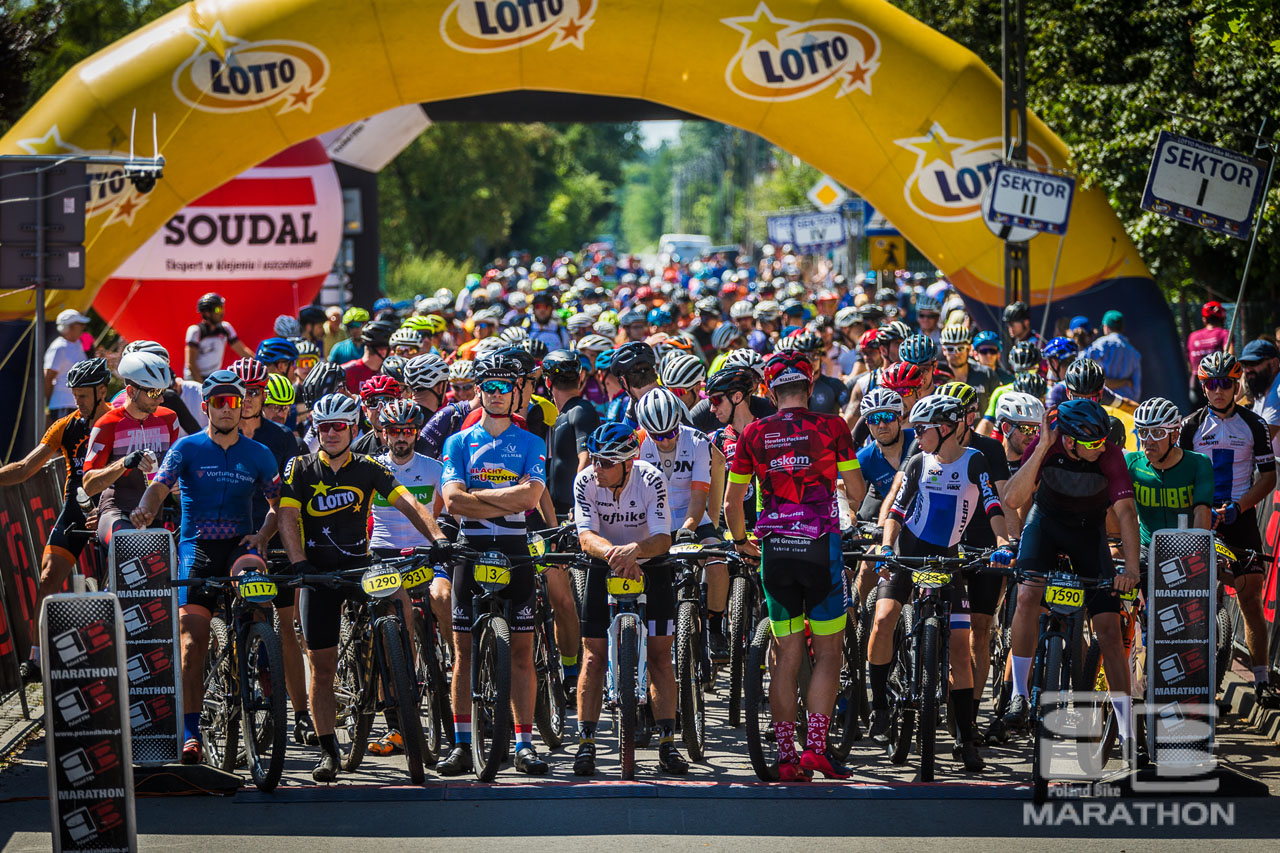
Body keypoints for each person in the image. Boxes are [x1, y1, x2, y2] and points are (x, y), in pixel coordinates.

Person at [277, 393, 447, 782]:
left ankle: (402, 665)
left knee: (398, 597)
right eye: (324, 427)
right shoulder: (299, 468)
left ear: (353, 429)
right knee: (322, 667)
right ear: (316, 430)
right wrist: (299, 561)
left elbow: (408, 503)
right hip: (317, 572)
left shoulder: (368, 466)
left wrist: (437, 538)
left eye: (340, 426)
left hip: (359, 566)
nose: (332, 433)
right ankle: (327, 751)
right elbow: (287, 516)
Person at [725, 350, 867, 781]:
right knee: (827, 653)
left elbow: (733, 502)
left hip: (775, 551)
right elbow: (857, 493)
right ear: (811, 385)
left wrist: (741, 541)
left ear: (768, 389)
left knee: (785, 655)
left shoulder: (753, 432)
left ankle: (786, 756)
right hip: (820, 547)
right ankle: (817, 749)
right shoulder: (833, 427)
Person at [129, 370, 281, 763]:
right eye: (218, 402)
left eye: (233, 401)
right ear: (206, 406)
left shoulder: (259, 454)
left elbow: (279, 506)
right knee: (191, 643)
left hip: (241, 546)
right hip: (197, 549)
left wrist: (263, 534)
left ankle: (266, 665)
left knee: (258, 590)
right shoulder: (186, 448)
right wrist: (146, 508)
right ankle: (191, 733)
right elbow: (160, 485)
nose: (226, 408)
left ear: (241, 405)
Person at [868, 394, 1013, 772]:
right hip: (908, 549)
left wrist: (1001, 542)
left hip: (948, 557)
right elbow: (898, 510)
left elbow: (992, 505)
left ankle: (966, 738)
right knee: (883, 620)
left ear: (945, 429)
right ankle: (881, 707)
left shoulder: (974, 461)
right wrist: (885, 547)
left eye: (922, 428)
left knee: (960, 651)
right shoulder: (918, 461)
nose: (916, 433)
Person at [999, 399, 1140, 751]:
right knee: (1029, 595)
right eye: (1091, 443)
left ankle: (1126, 727)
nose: (1100, 448)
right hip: (1045, 526)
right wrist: (1042, 447)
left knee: (1109, 628)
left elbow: (1126, 515)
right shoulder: (1048, 443)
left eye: (1102, 442)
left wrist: (1133, 570)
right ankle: (1019, 693)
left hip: (1088, 534)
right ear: (1071, 440)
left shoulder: (1108, 454)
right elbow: (1013, 498)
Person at [437, 355, 551, 777]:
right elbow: (451, 502)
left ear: (515, 392)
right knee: (463, 654)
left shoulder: (531, 442)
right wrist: (508, 493)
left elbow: (530, 500)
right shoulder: (458, 442)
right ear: (479, 391)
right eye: (491, 388)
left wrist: (479, 496)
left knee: (522, 653)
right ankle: (463, 744)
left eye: (506, 388)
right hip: (471, 547)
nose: (499, 395)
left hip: (515, 548)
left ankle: (524, 744)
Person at [570, 422, 687, 775]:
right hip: (605, 563)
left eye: (606, 462)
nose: (597, 468)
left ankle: (668, 741)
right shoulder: (585, 481)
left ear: (628, 462)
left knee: (660, 655)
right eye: (595, 459)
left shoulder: (650, 478)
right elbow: (586, 535)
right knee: (592, 655)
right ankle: (586, 742)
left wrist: (635, 552)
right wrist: (617, 557)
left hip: (650, 564)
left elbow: (663, 537)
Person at [2, 358, 112, 682]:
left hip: (110, 505)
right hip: (75, 508)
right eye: (75, 395)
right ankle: (35, 658)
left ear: (102, 391)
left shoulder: (120, 421)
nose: (77, 402)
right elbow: (25, 468)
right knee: (48, 575)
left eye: (84, 396)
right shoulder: (65, 426)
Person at [1181, 351, 1279, 707]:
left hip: (1241, 517)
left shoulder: (1253, 425)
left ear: (1237, 385)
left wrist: (1240, 506)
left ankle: (1262, 679)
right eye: (1211, 384)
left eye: (1226, 383)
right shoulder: (1190, 426)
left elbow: (1269, 477)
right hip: (1201, 517)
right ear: (1204, 386)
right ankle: (1196, 682)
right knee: (1196, 601)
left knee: (1251, 599)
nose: (1219, 390)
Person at [228, 357, 314, 743]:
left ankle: (300, 713)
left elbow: (287, 500)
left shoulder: (283, 439)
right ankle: (238, 701)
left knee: (285, 629)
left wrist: (269, 535)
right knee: (235, 626)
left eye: (256, 392)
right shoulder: (217, 431)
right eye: (242, 392)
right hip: (231, 538)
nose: (248, 399)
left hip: (275, 538)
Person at [366, 400, 452, 756]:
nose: (401, 438)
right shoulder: (371, 468)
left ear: (416, 433)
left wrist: (443, 543)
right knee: (389, 634)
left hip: (424, 554)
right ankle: (396, 720)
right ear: (384, 433)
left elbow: (446, 515)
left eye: (407, 431)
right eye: (394, 431)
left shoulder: (434, 469)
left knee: (443, 599)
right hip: (384, 554)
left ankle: (452, 660)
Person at [636, 388, 728, 659]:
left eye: (670, 434)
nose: (665, 441)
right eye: (658, 436)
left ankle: (715, 626)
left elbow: (699, 496)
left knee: (716, 560)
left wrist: (688, 528)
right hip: (654, 518)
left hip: (692, 515)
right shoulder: (637, 442)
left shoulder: (697, 441)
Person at [82, 352, 180, 545]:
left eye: (162, 392)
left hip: (153, 513)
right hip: (117, 511)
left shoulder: (169, 419)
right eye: (153, 393)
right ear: (131, 391)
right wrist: (124, 463)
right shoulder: (108, 424)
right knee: (130, 544)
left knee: (165, 569)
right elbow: (89, 484)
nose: (161, 399)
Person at [1126, 397, 1212, 545]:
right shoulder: (1131, 463)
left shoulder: (1199, 463)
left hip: (1187, 547)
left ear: (1174, 436)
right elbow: (1122, 513)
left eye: (1158, 433)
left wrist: (1196, 554)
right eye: (1143, 432)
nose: (1149, 441)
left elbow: (1202, 513)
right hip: (1145, 549)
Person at [184, 293, 253, 382]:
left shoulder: (225, 328)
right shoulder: (195, 331)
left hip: (213, 378)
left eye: (222, 308)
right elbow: (191, 364)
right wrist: (202, 386)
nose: (222, 313)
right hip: (194, 379)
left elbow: (243, 351)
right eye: (218, 309)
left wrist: (262, 365)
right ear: (207, 313)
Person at [1079, 310, 1142, 400]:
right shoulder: (1135, 354)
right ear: (1122, 328)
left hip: (1106, 404)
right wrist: (1125, 383)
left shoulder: (1102, 344)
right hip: (1127, 406)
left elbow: (1080, 360)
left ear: (1106, 327)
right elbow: (1136, 392)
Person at [939, 325, 997, 415]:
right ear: (943, 350)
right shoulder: (937, 376)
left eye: (960, 348)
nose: (956, 354)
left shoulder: (987, 374)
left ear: (969, 349)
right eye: (950, 349)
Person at [45, 309, 90, 421]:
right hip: (62, 404)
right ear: (70, 327)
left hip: (77, 404)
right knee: (64, 438)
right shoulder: (58, 347)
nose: (83, 327)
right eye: (80, 324)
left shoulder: (77, 344)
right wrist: (48, 403)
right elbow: (48, 377)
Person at [1187, 301, 1231, 408]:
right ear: (1223, 318)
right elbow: (1230, 356)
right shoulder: (1224, 334)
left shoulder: (1193, 337)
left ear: (1204, 319)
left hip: (1195, 386)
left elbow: (1189, 364)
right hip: (1217, 387)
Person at [1240, 339, 1280, 452]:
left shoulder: (1278, 391)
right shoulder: (1264, 385)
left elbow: (1262, 440)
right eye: (1244, 364)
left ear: (1274, 363)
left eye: (1253, 363)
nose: (1247, 370)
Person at [992, 391, 1044, 478]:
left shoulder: (1040, 464)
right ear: (1006, 428)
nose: (1033, 436)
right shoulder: (988, 464)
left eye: (1036, 429)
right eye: (1026, 429)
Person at [341, 318, 397, 393]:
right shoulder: (345, 373)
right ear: (382, 351)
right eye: (391, 349)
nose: (393, 353)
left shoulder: (391, 373)